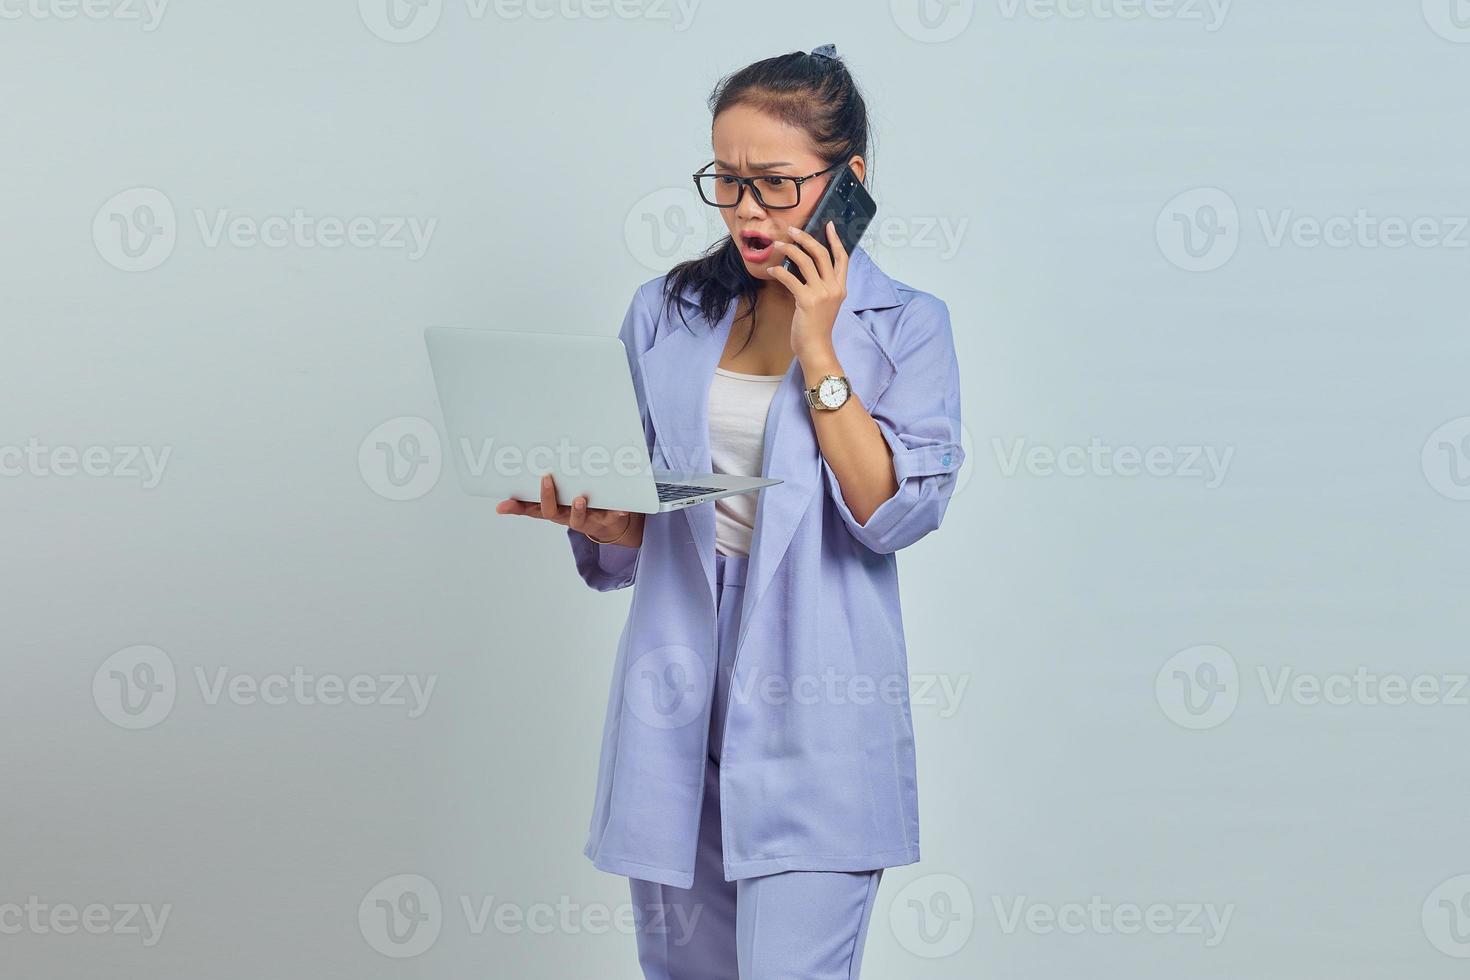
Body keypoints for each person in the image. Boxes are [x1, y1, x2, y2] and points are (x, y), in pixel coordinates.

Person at [497, 43, 966, 980]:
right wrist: (599, 521)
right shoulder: (664, 310)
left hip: (815, 711)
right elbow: (645, 516)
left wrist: (819, 344)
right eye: (728, 181)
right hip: (678, 703)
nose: (747, 210)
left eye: (777, 184)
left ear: (849, 181)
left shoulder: (907, 323)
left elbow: (891, 514)